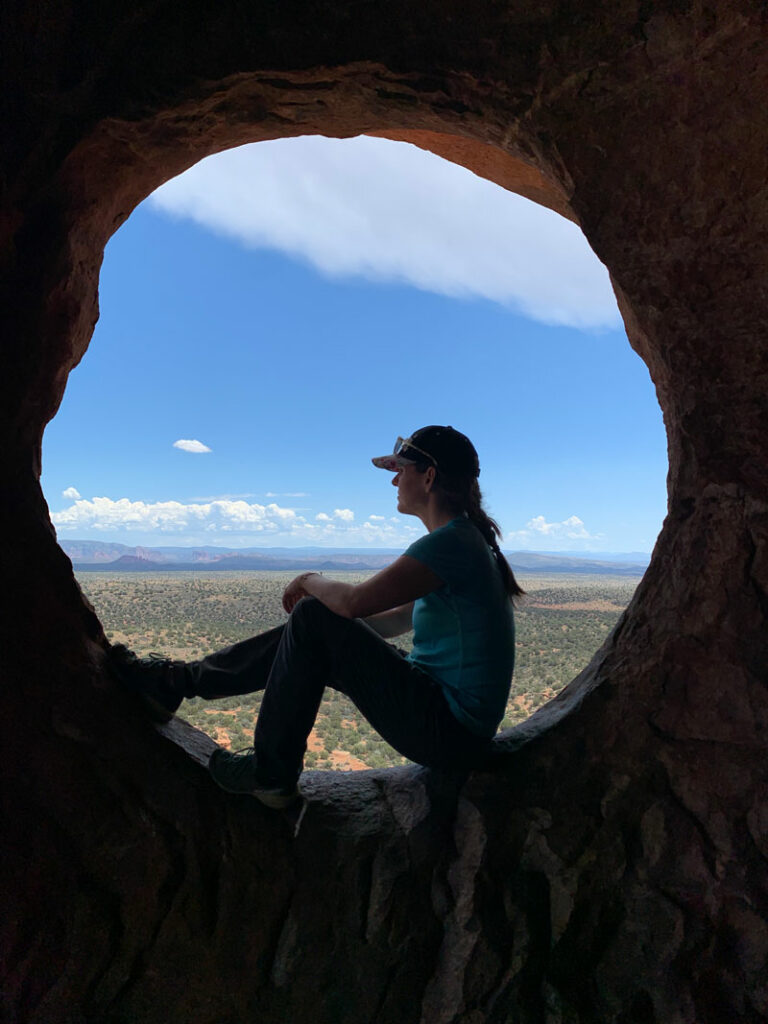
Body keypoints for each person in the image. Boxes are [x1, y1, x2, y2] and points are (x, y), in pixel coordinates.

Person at [111, 426, 523, 808]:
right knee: (314, 626)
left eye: (400, 470)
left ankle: (269, 769)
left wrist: (309, 581)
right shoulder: (464, 541)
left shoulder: (451, 543)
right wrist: (324, 635)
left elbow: (354, 602)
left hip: (449, 733)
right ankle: (177, 684)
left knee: (312, 616)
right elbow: (395, 620)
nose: (395, 481)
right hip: (452, 725)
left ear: (428, 477)